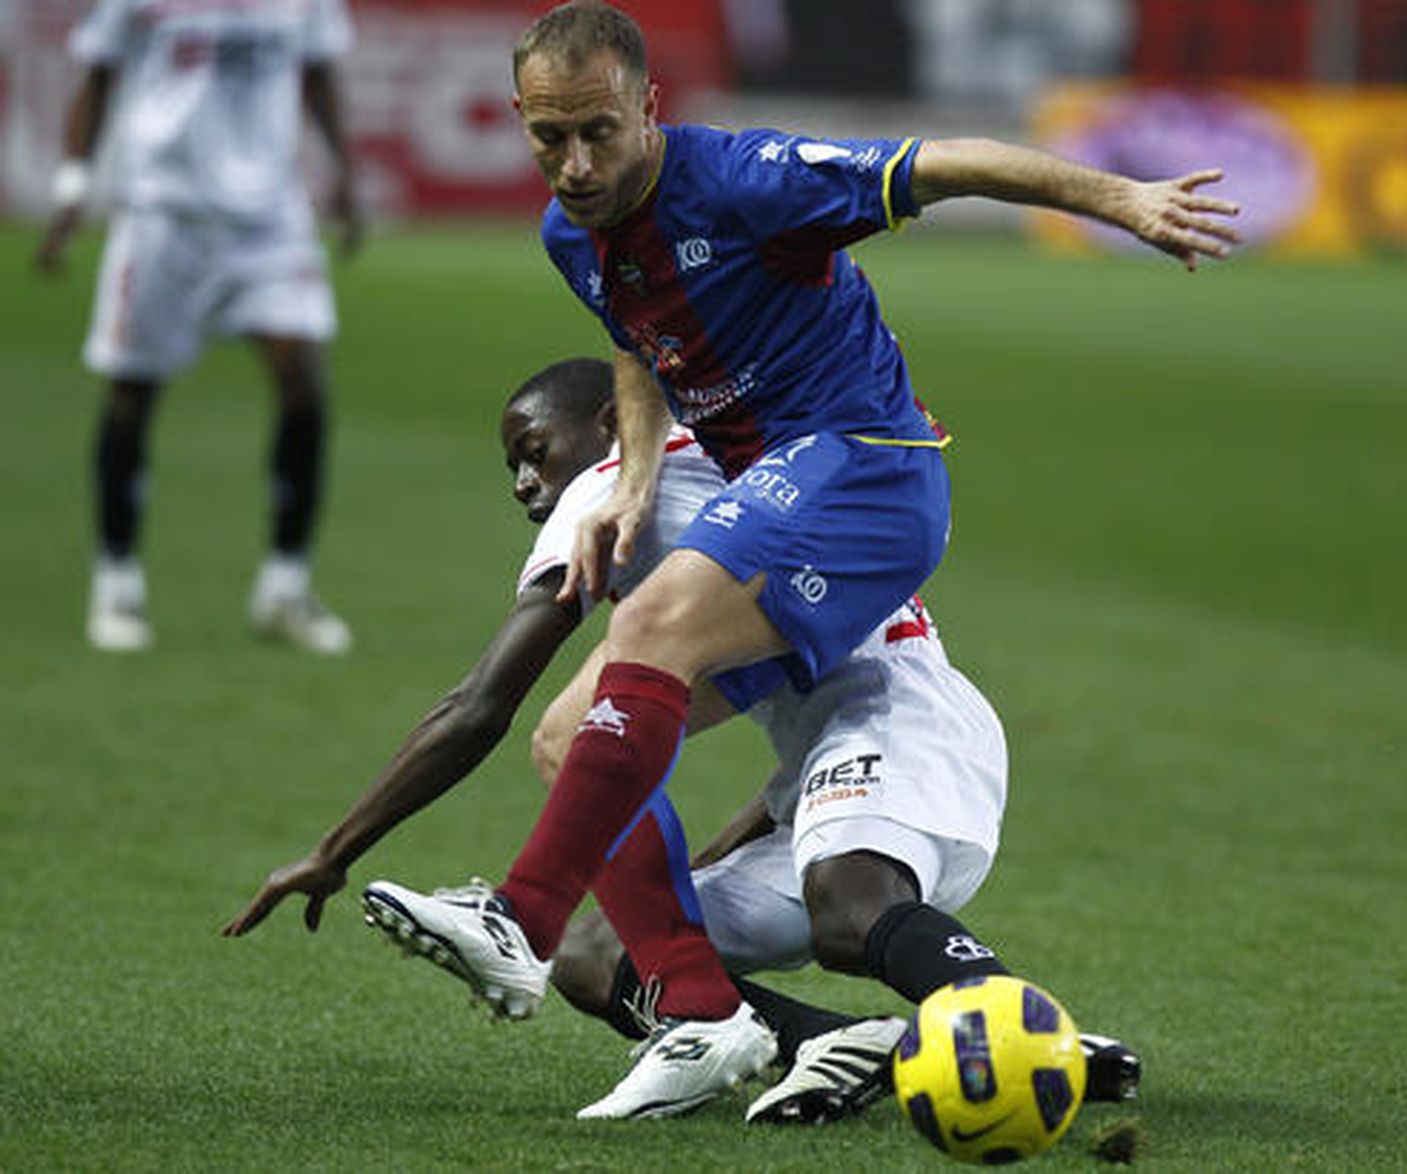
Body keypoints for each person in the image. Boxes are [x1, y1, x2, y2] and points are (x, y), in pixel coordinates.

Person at [366, 0, 1237, 1097]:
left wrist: (1122, 198)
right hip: (783, 500)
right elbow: (637, 340)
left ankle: (521, 918)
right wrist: (636, 475)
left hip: (866, 461)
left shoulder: (745, 180)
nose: (575, 163)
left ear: (649, 105)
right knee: (569, 733)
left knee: (650, 626)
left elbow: (944, 162)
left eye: (598, 130)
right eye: (549, 138)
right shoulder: (569, 237)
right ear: (518, 122)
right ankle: (704, 1014)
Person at [223, 358, 1140, 1120]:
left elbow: (480, 704)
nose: (525, 484)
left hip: (909, 728)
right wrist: (726, 848)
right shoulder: (722, 499)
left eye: (534, 450)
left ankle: (1026, 1030)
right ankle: (866, 1049)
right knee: (599, 957)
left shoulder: (617, 492)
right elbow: (772, 707)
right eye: (512, 469)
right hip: (841, 779)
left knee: (838, 903)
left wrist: (335, 850)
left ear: (609, 428)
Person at [35, 0, 362, 654]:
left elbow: (318, 72)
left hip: (269, 216)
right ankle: (117, 583)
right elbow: (98, 75)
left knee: (304, 383)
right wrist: (73, 191)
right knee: (132, 393)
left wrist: (342, 176)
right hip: (162, 214)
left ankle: (284, 585)